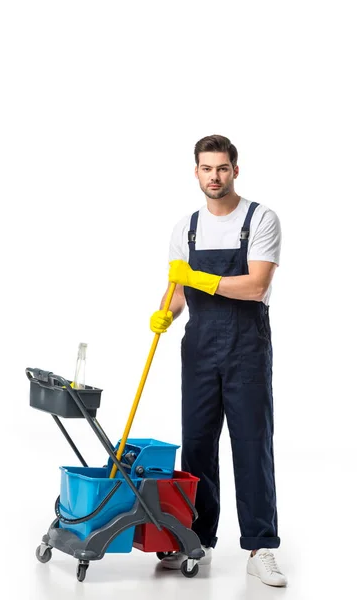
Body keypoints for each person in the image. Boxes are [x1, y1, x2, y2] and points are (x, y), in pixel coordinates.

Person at [150, 135, 287, 587]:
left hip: (246, 348)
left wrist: (197, 278)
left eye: (223, 168)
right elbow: (178, 293)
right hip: (199, 349)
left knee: (251, 445)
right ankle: (197, 541)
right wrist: (163, 313)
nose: (215, 176)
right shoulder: (185, 228)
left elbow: (254, 286)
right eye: (207, 168)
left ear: (235, 170)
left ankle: (260, 547)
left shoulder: (260, 218)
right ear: (196, 172)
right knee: (197, 446)